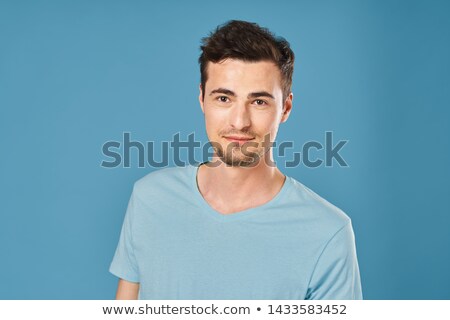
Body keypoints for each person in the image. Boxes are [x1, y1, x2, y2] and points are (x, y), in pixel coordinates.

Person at [109, 19, 363, 300]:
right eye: (224, 99)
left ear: (285, 108)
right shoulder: (150, 198)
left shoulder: (328, 233)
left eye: (259, 102)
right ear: (202, 99)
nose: (240, 122)